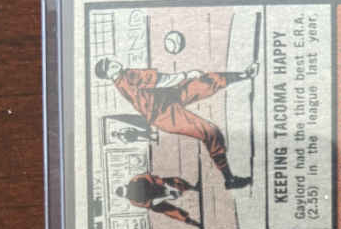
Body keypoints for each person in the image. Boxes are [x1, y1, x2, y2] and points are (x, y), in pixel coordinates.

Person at [95, 57, 259, 189]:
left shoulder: (122, 78)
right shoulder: (127, 77)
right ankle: (229, 179)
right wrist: (187, 75)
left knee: (204, 82)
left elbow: (158, 84)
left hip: (167, 96)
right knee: (210, 131)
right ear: (108, 75)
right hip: (164, 114)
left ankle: (244, 74)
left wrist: (186, 78)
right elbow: (162, 80)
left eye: (110, 61)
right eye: (108, 66)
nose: (113, 63)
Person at [116, 174, 201, 228]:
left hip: (157, 186)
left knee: (174, 181)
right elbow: (152, 203)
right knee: (171, 211)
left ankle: (193, 188)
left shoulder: (135, 179)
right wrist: (167, 196)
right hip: (155, 202)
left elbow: (154, 179)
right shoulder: (134, 201)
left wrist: (169, 188)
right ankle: (194, 223)